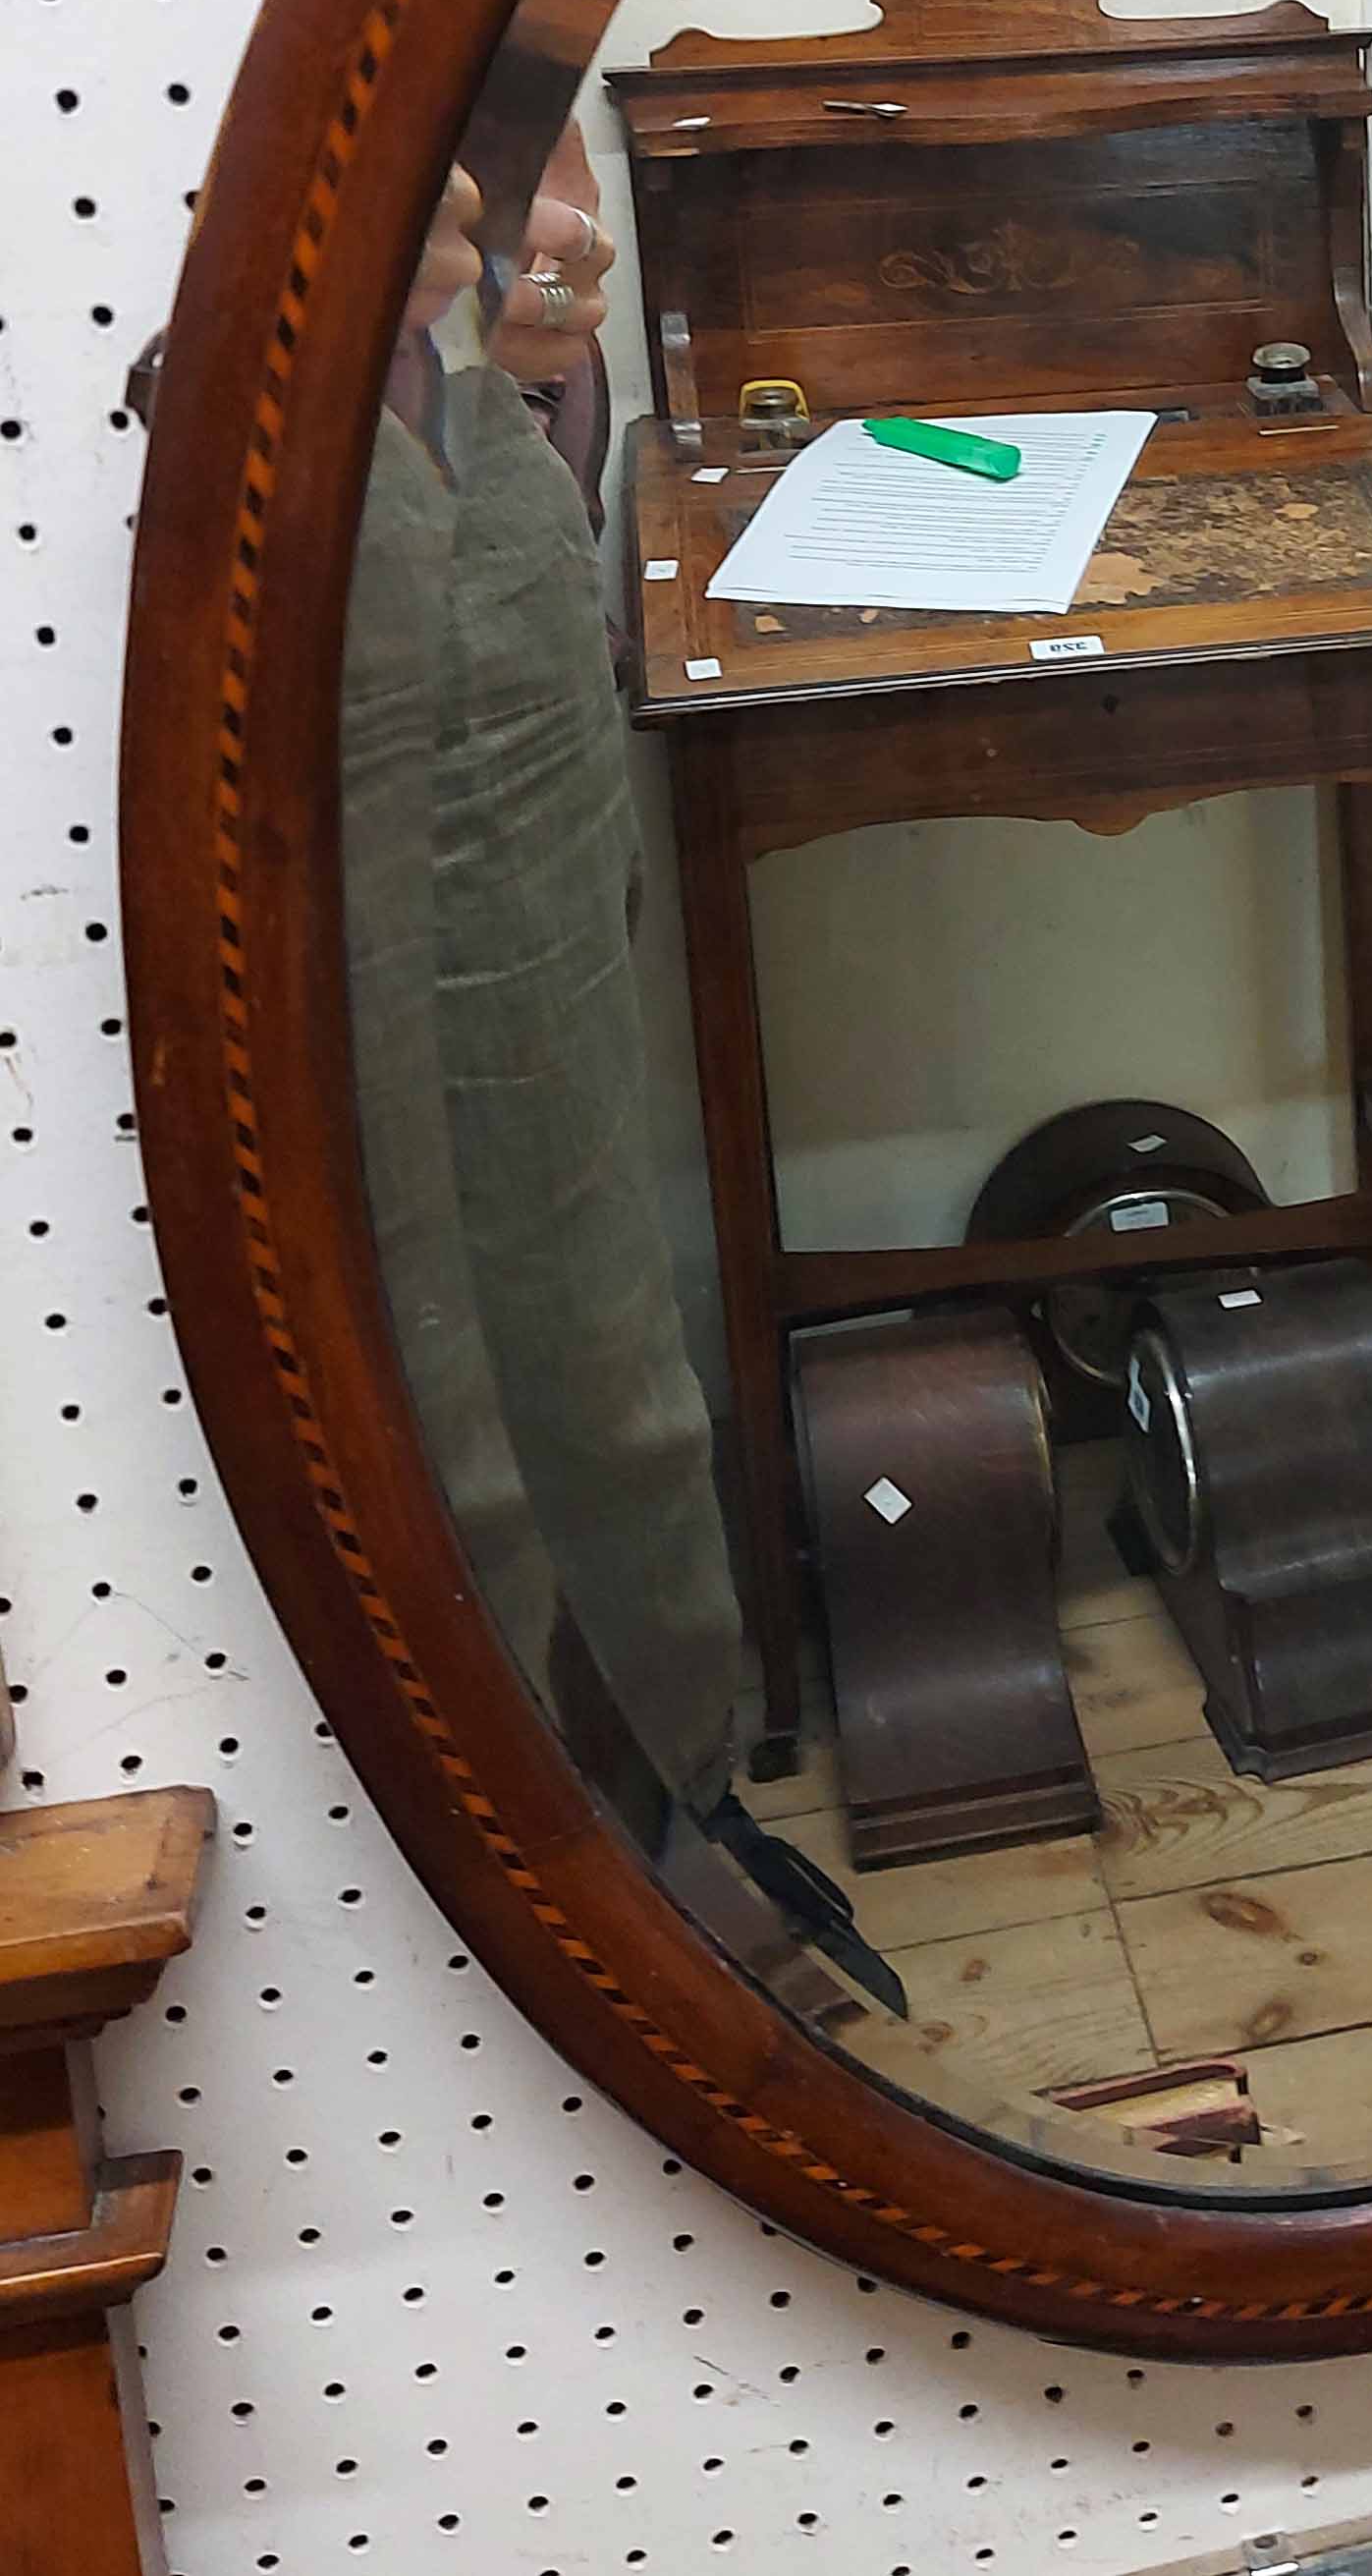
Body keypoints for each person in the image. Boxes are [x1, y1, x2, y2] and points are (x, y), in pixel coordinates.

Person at [345, 119, 904, 2015]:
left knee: (597, 1341)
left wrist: (523, 352)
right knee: (425, 1356)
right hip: (294, 640)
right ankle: (536, 1879)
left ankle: (653, 1812)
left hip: (488, 610)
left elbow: (525, 185)